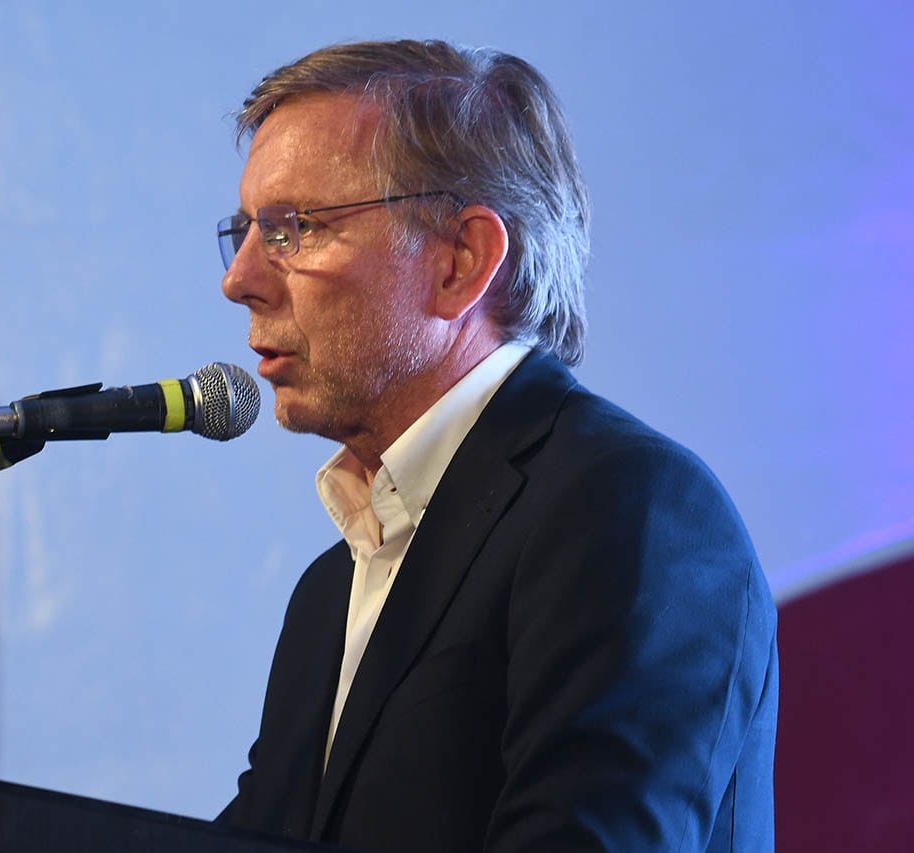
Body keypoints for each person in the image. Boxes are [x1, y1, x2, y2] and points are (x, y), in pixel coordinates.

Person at [213, 39, 778, 852]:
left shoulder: (630, 509)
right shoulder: (328, 591)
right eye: (246, 230)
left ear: (461, 261)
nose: (241, 278)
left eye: (294, 228)